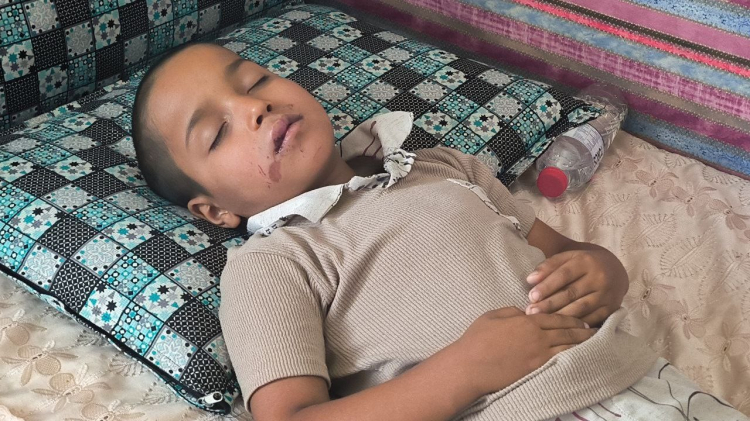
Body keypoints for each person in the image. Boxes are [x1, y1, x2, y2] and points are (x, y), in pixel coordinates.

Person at [132, 41, 747, 421]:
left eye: (255, 81)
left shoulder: (441, 166)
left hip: (638, 380)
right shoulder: (275, 260)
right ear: (215, 212)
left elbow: (566, 257)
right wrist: (465, 370)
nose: (254, 107)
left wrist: (604, 273)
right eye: (216, 132)